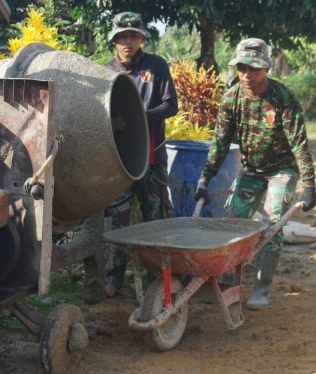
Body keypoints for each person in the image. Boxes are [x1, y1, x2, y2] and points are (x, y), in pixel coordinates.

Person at [195, 38, 316, 310]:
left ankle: (261, 289)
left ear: (266, 68)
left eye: (254, 69)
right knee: (232, 223)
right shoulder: (232, 98)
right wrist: (205, 177)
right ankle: (226, 284)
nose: (247, 75)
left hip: (281, 170)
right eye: (242, 68)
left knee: (272, 226)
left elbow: (299, 144)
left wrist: (309, 184)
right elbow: (220, 142)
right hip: (251, 169)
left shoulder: (283, 98)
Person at [103, 11, 178, 297]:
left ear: (142, 38)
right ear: (114, 40)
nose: (128, 42)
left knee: (155, 220)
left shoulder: (156, 66)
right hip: (118, 163)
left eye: (134, 36)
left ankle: (156, 277)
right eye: (122, 36)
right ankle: (113, 279)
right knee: (117, 221)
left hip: (152, 159)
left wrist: (141, 116)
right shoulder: (105, 73)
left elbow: (171, 106)